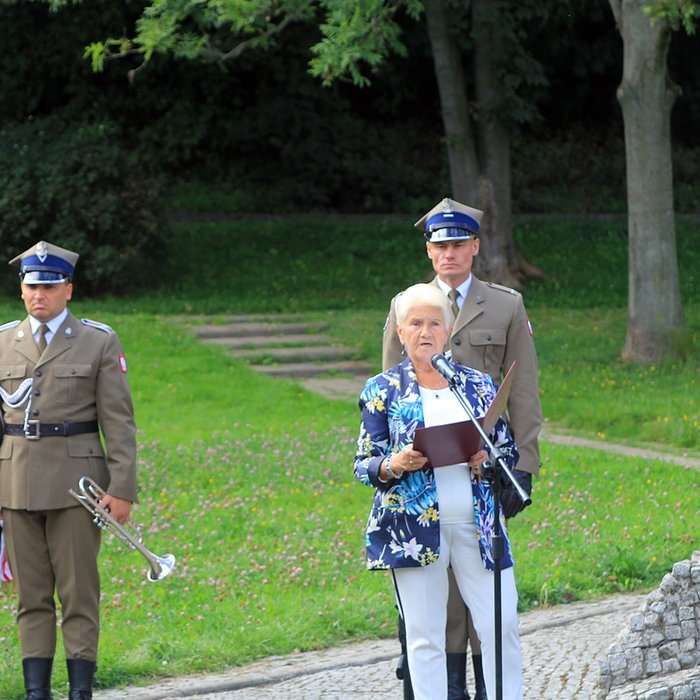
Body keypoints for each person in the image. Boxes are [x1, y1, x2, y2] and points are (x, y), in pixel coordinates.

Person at [382, 197, 542, 699]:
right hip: (422, 480)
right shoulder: (406, 305)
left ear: (475, 246)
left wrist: (523, 468)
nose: (448, 254)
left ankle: (489, 686)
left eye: (457, 244)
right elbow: (389, 389)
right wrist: (394, 464)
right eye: (439, 246)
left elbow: (524, 391)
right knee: (438, 600)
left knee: (486, 594)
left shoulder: (505, 304)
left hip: (482, 473)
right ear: (429, 252)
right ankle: (445, 689)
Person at [354, 283, 523, 700]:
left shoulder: (479, 385)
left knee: (500, 624)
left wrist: (486, 457)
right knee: (425, 636)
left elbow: (507, 448)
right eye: (415, 323)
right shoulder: (382, 390)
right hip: (413, 530)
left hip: (479, 526)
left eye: (434, 323)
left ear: (447, 331)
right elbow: (365, 463)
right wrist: (396, 463)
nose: (425, 331)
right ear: (400, 329)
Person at [0, 241, 138, 700]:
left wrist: (122, 488)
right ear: (21, 290)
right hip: (15, 483)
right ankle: (36, 692)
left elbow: (118, 422)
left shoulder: (98, 340)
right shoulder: (2, 341)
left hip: (78, 488)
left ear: (68, 289)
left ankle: (81, 691)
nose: (40, 294)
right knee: (30, 598)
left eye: (50, 285)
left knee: (78, 595)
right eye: (31, 285)